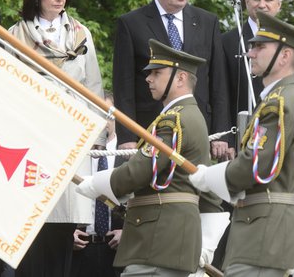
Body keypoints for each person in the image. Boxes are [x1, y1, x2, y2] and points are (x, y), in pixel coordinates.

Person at [189, 11, 294, 277]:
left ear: (284, 56)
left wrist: (207, 177)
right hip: (264, 233)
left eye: (260, 46)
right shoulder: (283, 101)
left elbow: (255, 166)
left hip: (264, 237)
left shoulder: (280, 104)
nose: (250, 52)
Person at [77, 39, 224, 277]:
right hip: (166, 239)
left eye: (157, 73)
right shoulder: (189, 116)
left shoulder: (173, 120)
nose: (148, 78)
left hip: (158, 240)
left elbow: (138, 171)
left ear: (180, 78)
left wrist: (93, 184)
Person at [8, 0, 104, 277]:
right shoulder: (17, 32)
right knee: (31, 219)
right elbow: (8, 84)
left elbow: (93, 87)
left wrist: (97, 134)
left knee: (64, 222)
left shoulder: (80, 32)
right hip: (32, 132)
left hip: (71, 132)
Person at [112, 0, 232, 160]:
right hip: (149, 129)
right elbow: (123, 86)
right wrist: (127, 136)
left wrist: (221, 132)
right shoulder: (131, 24)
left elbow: (218, 81)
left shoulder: (207, 22)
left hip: (199, 129)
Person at [220, 0, 282, 140]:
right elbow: (221, 93)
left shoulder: (292, 42)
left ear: (279, 4)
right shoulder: (227, 41)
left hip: (281, 135)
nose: (262, 4)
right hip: (240, 134)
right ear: (246, 2)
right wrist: (226, 139)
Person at [71, 92, 125, 277]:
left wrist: (129, 233)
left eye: (107, 115)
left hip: (119, 251)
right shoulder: (74, 155)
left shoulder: (128, 155)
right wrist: (66, 234)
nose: (102, 121)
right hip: (80, 250)